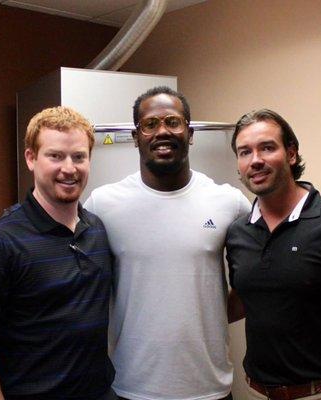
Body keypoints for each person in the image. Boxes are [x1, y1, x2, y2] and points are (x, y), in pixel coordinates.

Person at [84, 86, 252, 400]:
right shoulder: (103, 204)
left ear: (189, 133)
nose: (162, 131)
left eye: (173, 122)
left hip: (209, 388)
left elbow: (270, 258)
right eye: (150, 124)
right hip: (132, 387)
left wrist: (319, 205)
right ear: (136, 136)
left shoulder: (228, 201)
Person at [226, 109, 321, 400]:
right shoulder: (238, 233)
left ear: (291, 153)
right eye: (245, 152)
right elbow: (247, 299)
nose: (255, 160)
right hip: (255, 392)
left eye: (267, 148)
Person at [0, 107, 117, 400]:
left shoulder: (98, 231)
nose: (69, 168)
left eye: (79, 157)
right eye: (55, 156)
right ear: (31, 158)